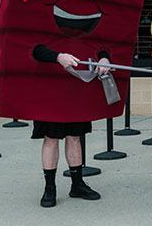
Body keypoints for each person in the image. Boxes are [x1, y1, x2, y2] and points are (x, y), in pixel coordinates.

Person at [31, 46, 107, 208]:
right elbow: (34, 48)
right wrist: (57, 56)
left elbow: (97, 43)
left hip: (76, 86)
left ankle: (77, 184)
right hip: (49, 86)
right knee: (51, 138)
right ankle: (49, 188)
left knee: (74, 136)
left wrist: (104, 57)